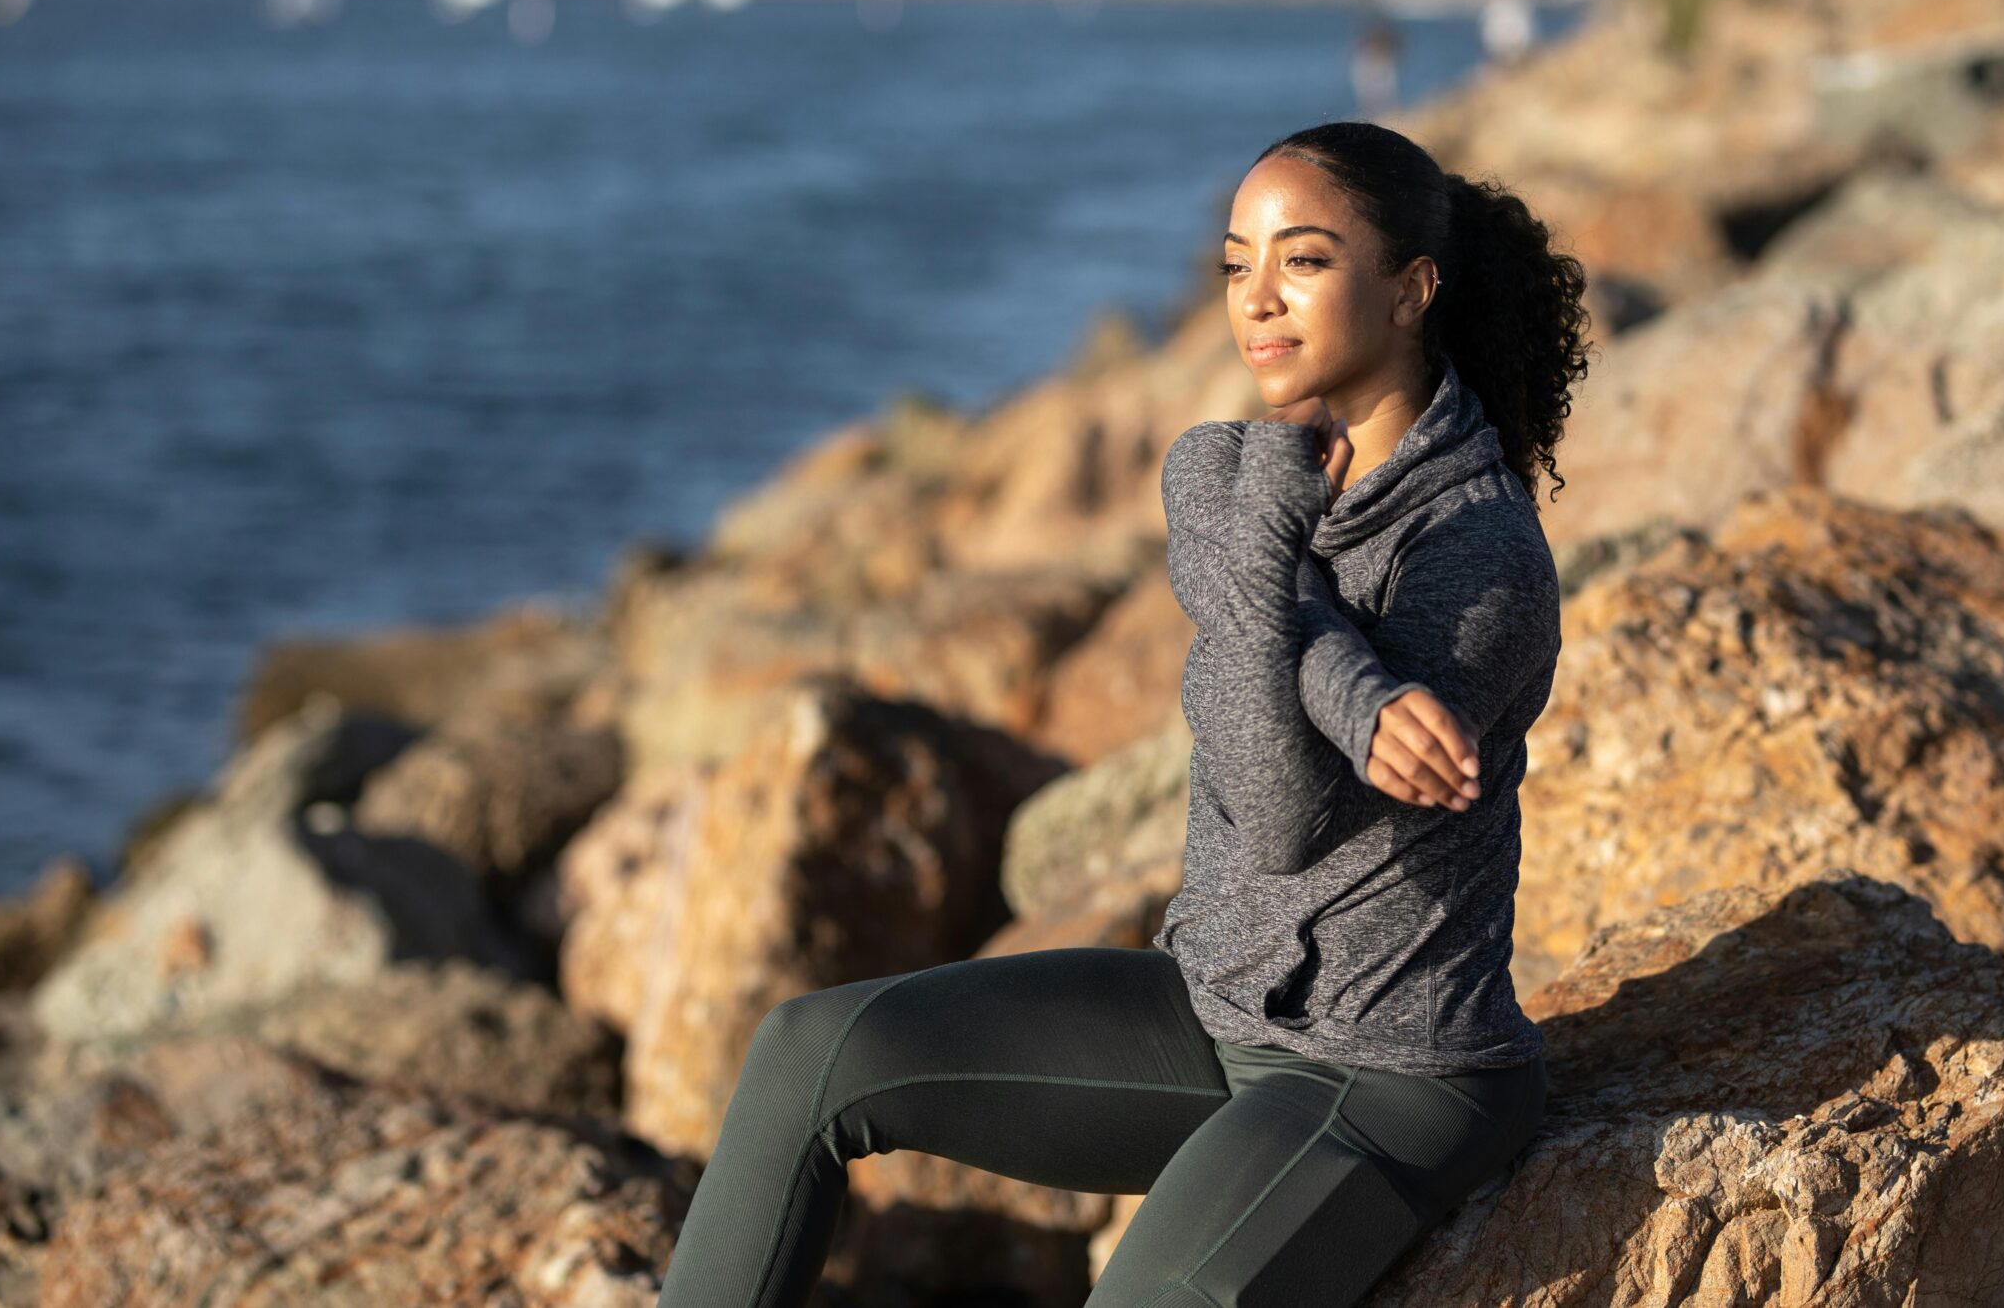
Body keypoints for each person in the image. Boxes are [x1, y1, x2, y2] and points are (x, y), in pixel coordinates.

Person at [654, 120, 1592, 1307]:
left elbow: (1281, 815)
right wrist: (1358, 696)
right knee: (810, 1055)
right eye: (1233, 267)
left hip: (1384, 1071)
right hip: (1207, 1009)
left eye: (1301, 261)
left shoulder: (1482, 559)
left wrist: (1273, 593)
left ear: (1410, 289)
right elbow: (1236, 560)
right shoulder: (1223, 465)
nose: (1256, 301)